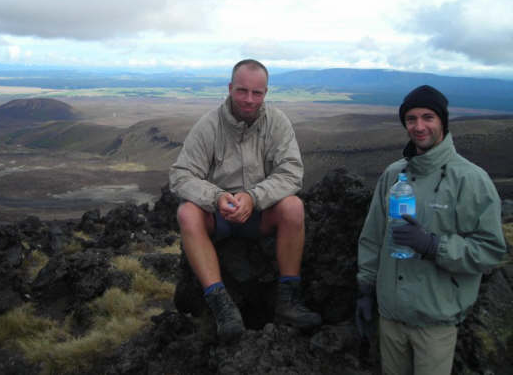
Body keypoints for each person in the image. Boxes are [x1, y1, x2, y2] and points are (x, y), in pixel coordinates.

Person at [356, 85, 506, 375]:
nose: (419, 126)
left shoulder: (471, 180)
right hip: (390, 317)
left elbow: (490, 251)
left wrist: (435, 246)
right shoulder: (393, 175)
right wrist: (365, 289)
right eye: (411, 119)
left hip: (435, 322)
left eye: (428, 117)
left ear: (443, 122)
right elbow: (372, 237)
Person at [169, 59, 321, 342]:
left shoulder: (277, 123)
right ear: (230, 88)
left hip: (260, 213)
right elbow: (181, 175)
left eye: (256, 93)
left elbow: (291, 172)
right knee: (187, 213)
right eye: (242, 91)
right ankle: (221, 305)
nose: (249, 99)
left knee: (293, 207)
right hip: (219, 214)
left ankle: (288, 300)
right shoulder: (209, 125)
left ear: (265, 93)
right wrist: (216, 198)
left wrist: (254, 197)